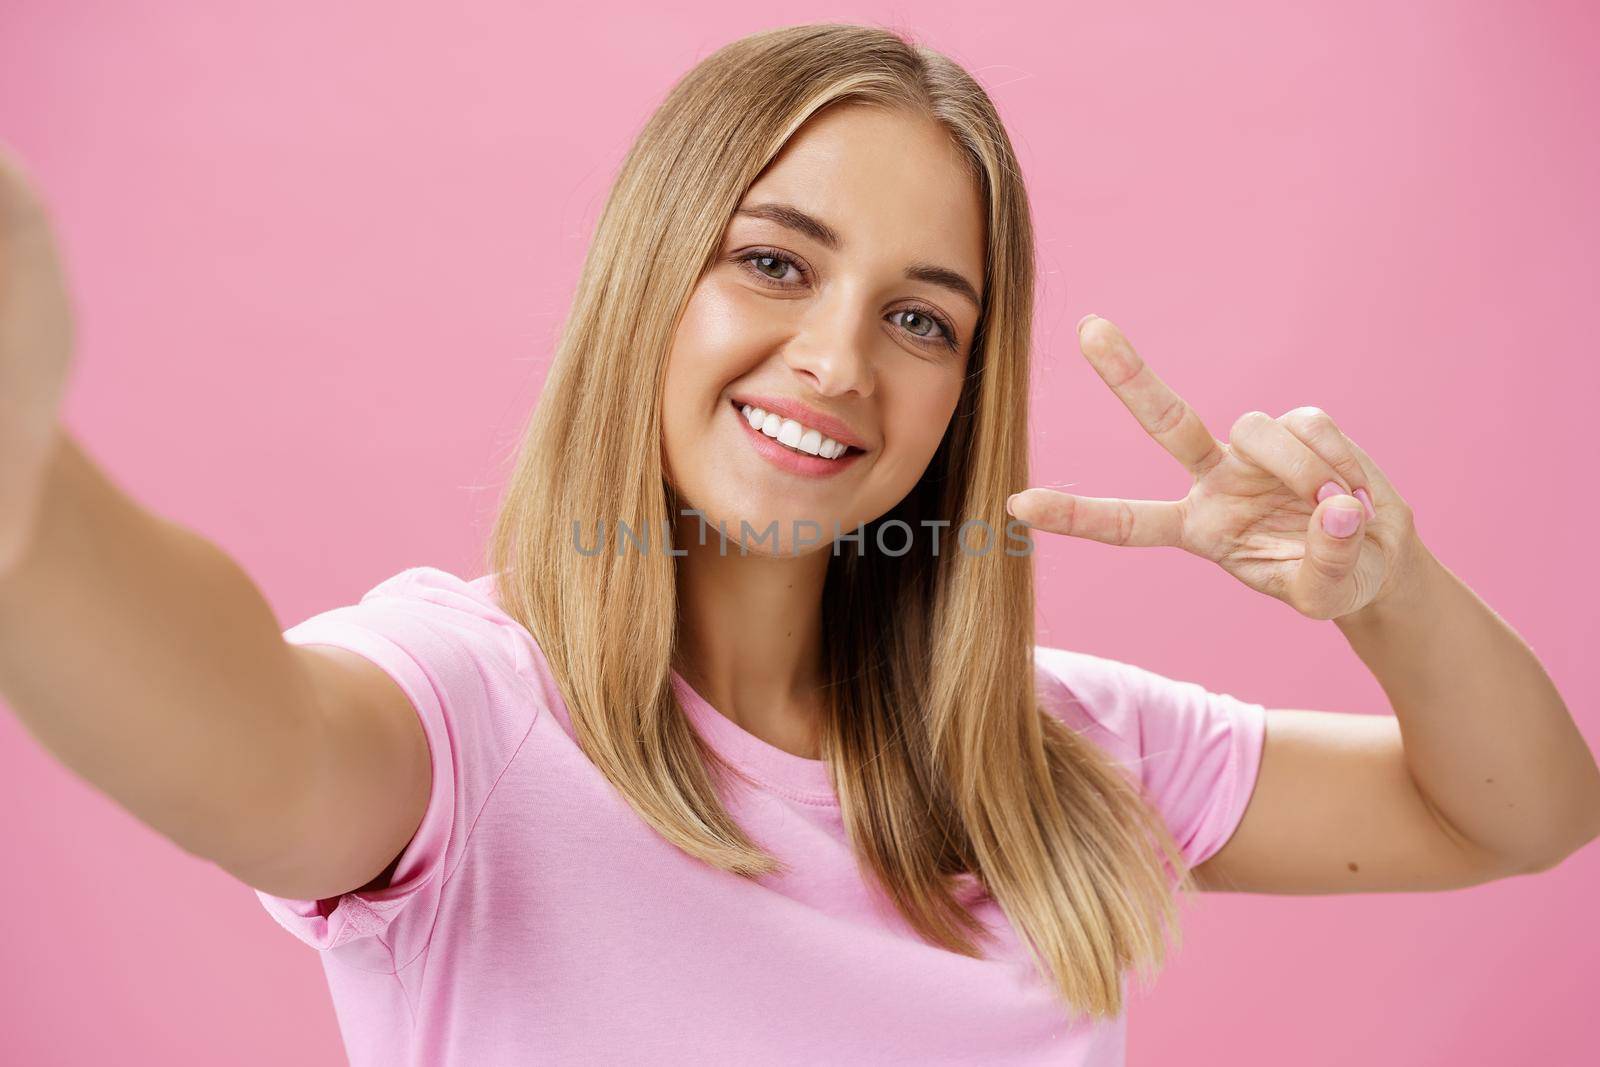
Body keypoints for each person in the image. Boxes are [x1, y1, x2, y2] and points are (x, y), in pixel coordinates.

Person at [0, 21, 1595, 1067]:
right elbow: (243, 734)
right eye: (773, 262)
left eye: (922, 316)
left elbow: (1526, 815)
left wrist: (1387, 593)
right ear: (652, 282)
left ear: (964, 396)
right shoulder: (470, 716)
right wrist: (26, 475)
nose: (840, 359)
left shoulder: (1054, 752)